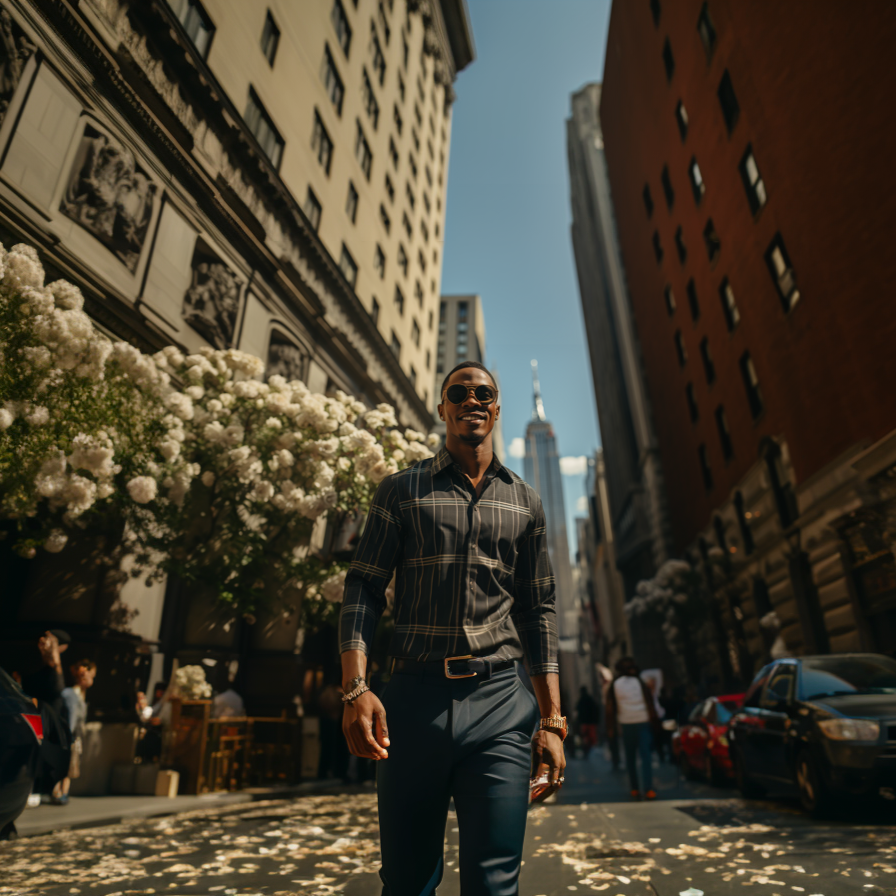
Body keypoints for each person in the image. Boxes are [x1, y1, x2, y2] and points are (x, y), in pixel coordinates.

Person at [339, 360, 565, 896]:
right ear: (443, 408)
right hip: (413, 703)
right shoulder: (400, 490)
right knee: (408, 880)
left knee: (495, 882)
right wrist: (356, 688)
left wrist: (552, 721)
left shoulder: (525, 501)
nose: (472, 400)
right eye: (458, 392)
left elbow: (539, 611)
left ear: (496, 408)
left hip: (501, 703)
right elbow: (363, 589)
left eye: (483, 393)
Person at [605, 657, 658, 800]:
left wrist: (611, 728)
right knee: (646, 757)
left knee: (630, 758)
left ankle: (635, 789)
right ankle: (648, 789)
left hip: (626, 723)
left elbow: (610, 708)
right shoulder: (640, 682)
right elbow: (650, 702)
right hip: (643, 722)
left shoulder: (615, 684)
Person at [53, 659, 96, 804]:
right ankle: (59, 793)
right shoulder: (72, 694)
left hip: (73, 737)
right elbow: (71, 718)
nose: (91, 680)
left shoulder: (79, 695)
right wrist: (68, 737)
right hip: (70, 737)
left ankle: (63, 792)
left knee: (69, 766)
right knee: (66, 765)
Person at [575, 686, 600, 758]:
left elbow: (578, 711)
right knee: (590, 738)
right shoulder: (590, 699)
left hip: (584, 723)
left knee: (585, 738)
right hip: (590, 722)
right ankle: (588, 750)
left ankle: (586, 751)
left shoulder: (581, 700)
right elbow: (595, 709)